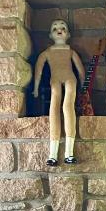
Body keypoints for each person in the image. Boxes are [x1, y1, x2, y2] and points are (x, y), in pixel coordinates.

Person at [32, 19, 86, 166]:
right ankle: (53, 154)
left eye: (63, 28)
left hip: (70, 79)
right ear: (50, 35)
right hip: (55, 81)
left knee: (68, 107)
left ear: (68, 34)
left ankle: (69, 152)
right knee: (54, 108)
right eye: (55, 28)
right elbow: (38, 70)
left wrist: (84, 86)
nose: (59, 30)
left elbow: (80, 70)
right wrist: (35, 87)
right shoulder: (47, 53)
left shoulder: (70, 51)